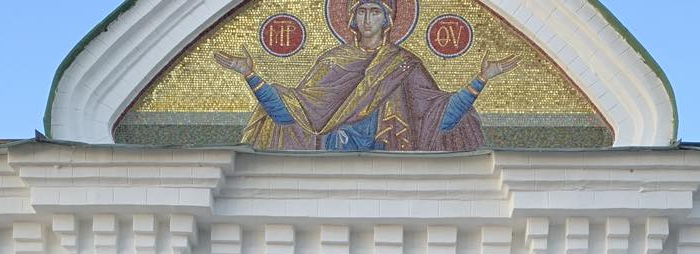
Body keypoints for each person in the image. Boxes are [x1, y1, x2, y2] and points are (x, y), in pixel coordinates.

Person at [214, 0, 518, 152]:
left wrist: (481, 79)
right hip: (334, 168)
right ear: (351, 19)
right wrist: (251, 75)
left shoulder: (404, 65)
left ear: (387, 19)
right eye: (361, 11)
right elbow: (294, 115)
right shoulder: (332, 62)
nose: (367, 19)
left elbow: (439, 119)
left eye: (375, 11)